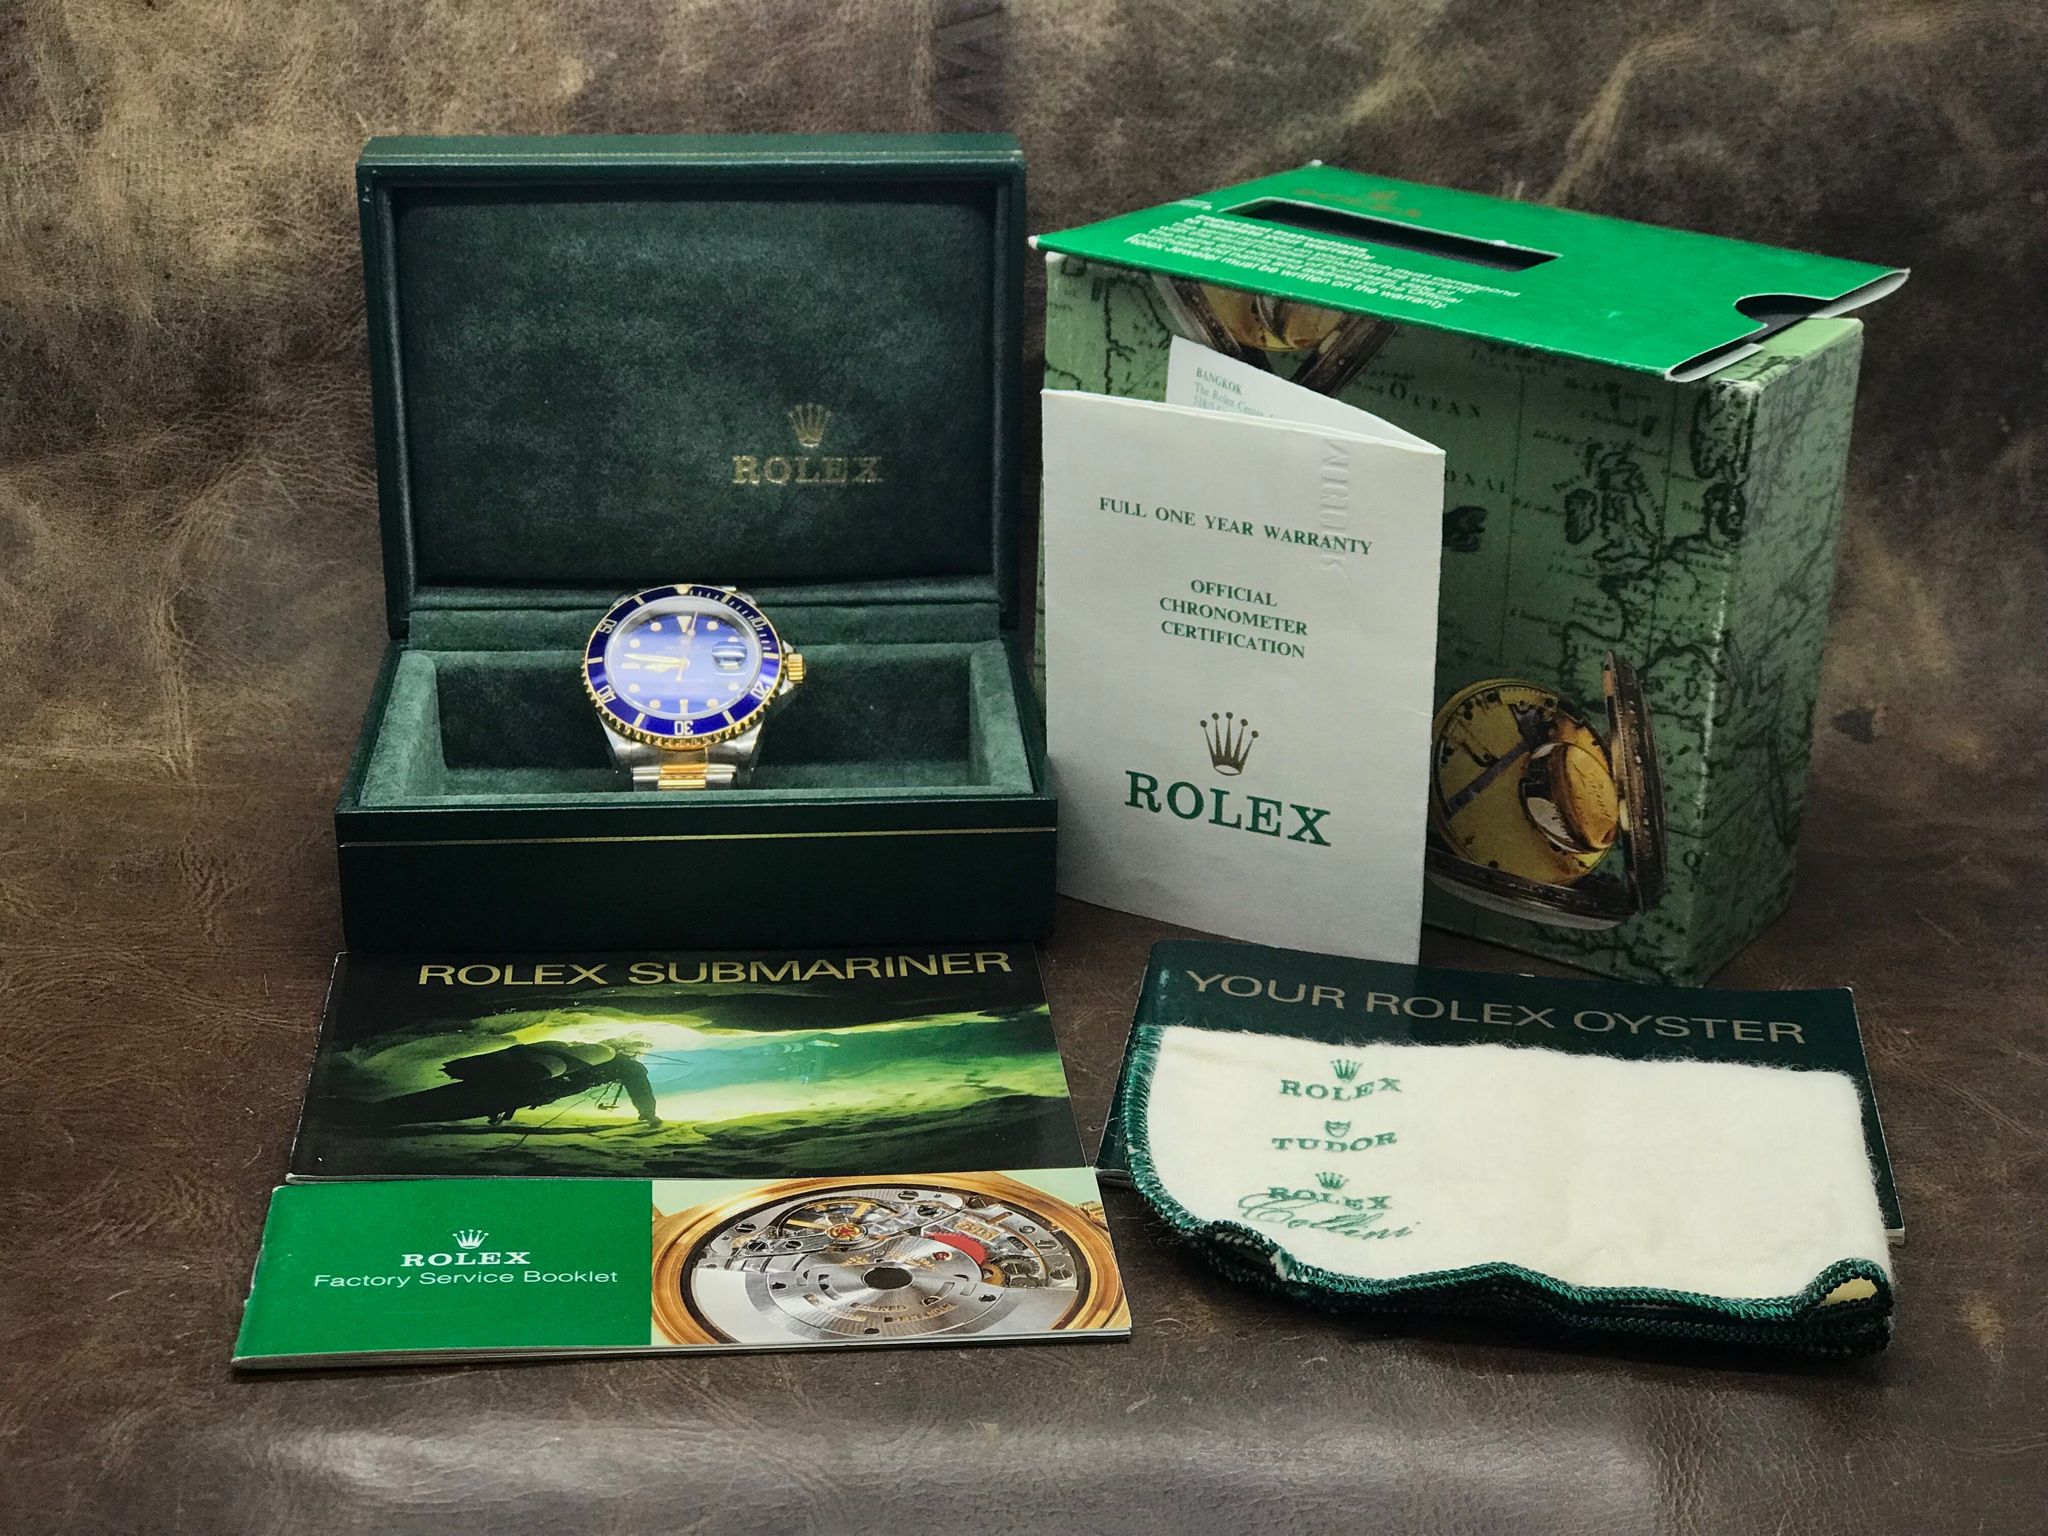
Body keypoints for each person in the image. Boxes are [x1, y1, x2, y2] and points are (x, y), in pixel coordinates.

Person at [441, 1035, 662, 1129]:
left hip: (544, 1078)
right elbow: (640, 1088)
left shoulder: (586, 1050)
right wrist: (648, 1113)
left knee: (504, 1091)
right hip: (551, 1085)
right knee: (518, 1093)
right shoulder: (627, 1065)